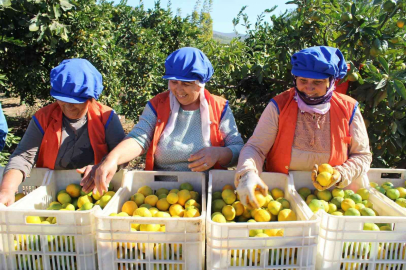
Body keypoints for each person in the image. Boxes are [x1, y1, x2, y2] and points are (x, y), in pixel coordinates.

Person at [81, 47, 244, 194]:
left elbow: (237, 148)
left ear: (201, 83)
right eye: (173, 82)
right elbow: (139, 137)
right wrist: (112, 159)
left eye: (186, 84)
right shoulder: (158, 105)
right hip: (161, 191)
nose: (178, 89)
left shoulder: (219, 107)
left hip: (206, 192)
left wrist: (218, 154)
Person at [235, 46, 372, 208]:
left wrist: (341, 174)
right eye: (303, 81)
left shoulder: (348, 109)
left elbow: (362, 156)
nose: (309, 88)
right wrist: (247, 173)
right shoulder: (279, 106)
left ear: (331, 82)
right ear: (295, 79)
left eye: (318, 82)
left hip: (330, 199)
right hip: (281, 198)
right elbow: (256, 148)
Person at [0, 59, 125, 205]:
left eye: (76, 101)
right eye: (62, 99)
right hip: (53, 193)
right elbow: (23, 157)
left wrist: (103, 165)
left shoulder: (105, 117)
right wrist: (7, 190)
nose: (68, 106)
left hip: (96, 193)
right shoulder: (44, 118)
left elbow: (122, 155)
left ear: (91, 98)